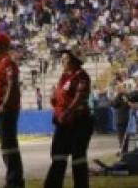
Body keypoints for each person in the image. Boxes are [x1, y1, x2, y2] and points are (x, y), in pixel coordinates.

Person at [44, 45, 93, 188]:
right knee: (58, 155)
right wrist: (54, 99)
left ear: (74, 61)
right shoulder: (64, 77)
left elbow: (79, 97)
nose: (62, 61)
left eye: (65, 59)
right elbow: (61, 96)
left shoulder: (81, 76)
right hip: (63, 123)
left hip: (79, 122)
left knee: (78, 157)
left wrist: (68, 111)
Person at [0, 32, 24, 188]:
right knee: (6, 147)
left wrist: (5, 104)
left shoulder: (7, 63)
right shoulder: (0, 63)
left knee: (9, 147)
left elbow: (12, 83)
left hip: (6, 111)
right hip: (1, 110)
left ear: (2, 46)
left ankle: (14, 181)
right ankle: (13, 180)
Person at [111, 84, 133, 154]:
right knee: (126, 135)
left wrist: (117, 95)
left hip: (121, 118)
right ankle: (125, 150)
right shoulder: (128, 96)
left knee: (121, 136)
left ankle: (123, 151)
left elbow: (113, 104)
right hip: (126, 118)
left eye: (117, 89)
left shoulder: (119, 96)